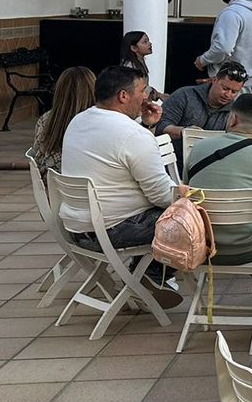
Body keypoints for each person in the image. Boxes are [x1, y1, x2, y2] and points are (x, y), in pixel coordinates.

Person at [56, 64, 179, 305]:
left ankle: (147, 275)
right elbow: (162, 196)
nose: (147, 97)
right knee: (186, 217)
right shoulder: (132, 135)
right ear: (123, 96)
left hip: (76, 227)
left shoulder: (79, 120)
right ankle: (151, 275)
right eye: (143, 90)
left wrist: (147, 126)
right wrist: (186, 197)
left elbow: (119, 153)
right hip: (111, 231)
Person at [184, 93, 252, 267]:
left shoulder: (198, 148)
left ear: (232, 118)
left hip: (200, 244)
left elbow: (186, 190)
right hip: (251, 250)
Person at [154, 62, 249, 145]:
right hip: (174, 159)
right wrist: (186, 132)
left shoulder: (235, 111)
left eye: (234, 92)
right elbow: (159, 126)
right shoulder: (184, 95)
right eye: (225, 88)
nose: (228, 95)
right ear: (214, 80)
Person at [31, 65, 96, 179]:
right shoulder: (96, 122)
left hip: (53, 187)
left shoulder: (45, 119)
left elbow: (38, 157)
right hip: (87, 189)